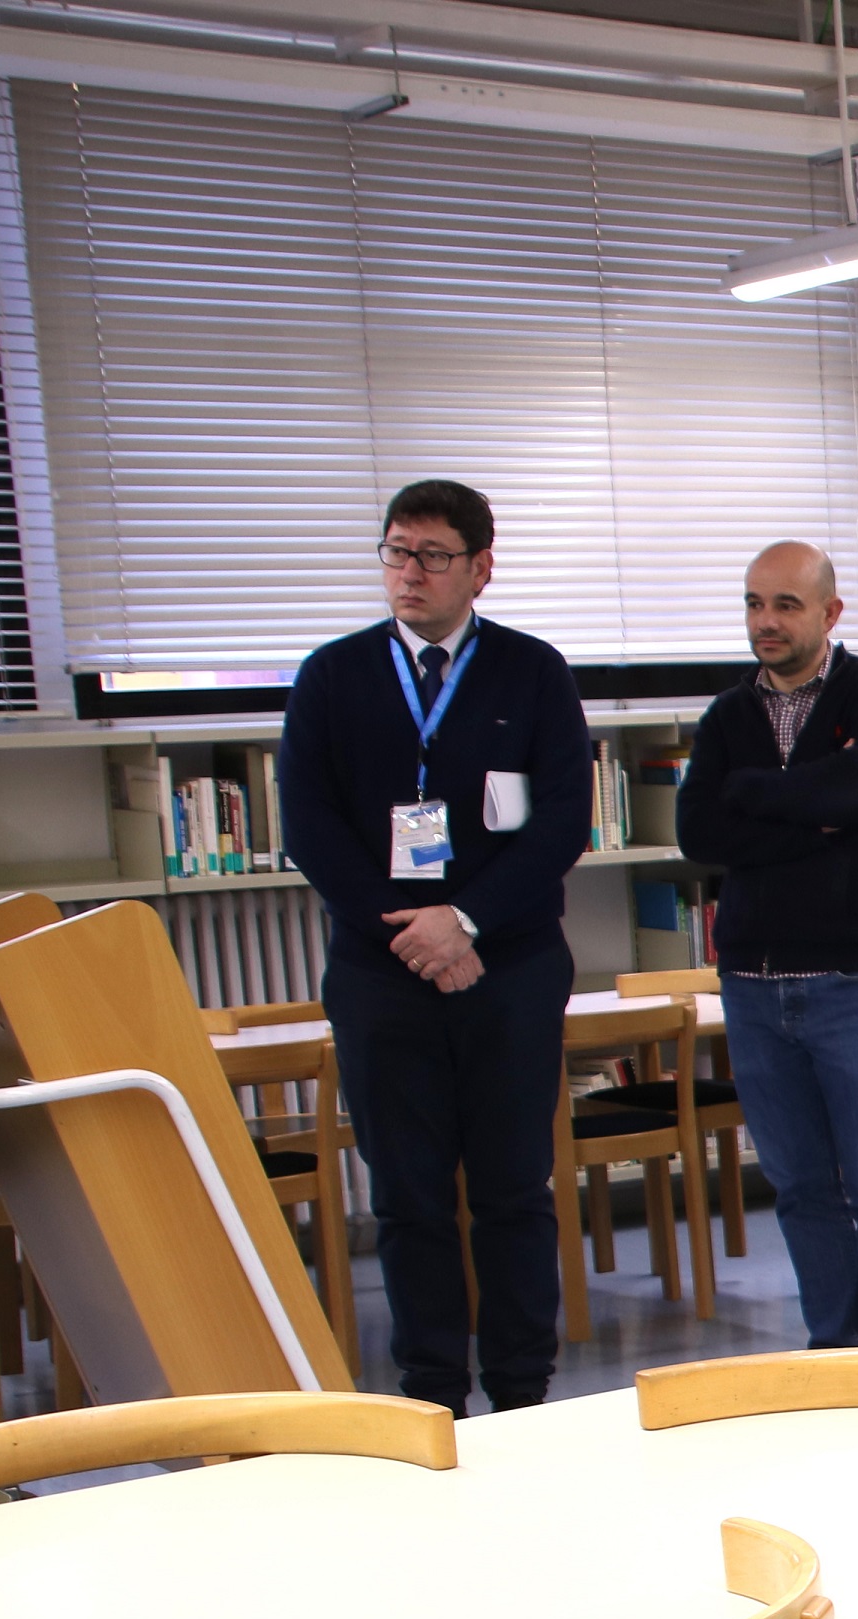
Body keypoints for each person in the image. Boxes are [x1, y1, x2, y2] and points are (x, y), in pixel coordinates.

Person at [278, 479, 590, 1413]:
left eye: (432, 556)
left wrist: (466, 921)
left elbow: (562, 821)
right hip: (382, 974)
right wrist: (414, 933)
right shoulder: (332, 676)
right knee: (407, 1197)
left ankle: (523, 1392)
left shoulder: (533, 672)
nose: (409, 572)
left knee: (513, 1190)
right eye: (396, 551)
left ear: (480, 569)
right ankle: (431, 1396)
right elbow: (311, 825)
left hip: (509, 965)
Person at [673, 541, 858, 1350]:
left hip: (851, 981)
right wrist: (811, 815)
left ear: (830, 612)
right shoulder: (726, 716)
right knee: (799, 1190)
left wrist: (752, 795)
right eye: (755, 604)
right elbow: (698, 834)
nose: (767, 621)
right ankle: (836, 1360)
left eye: (786, 605)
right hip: (753, 986)